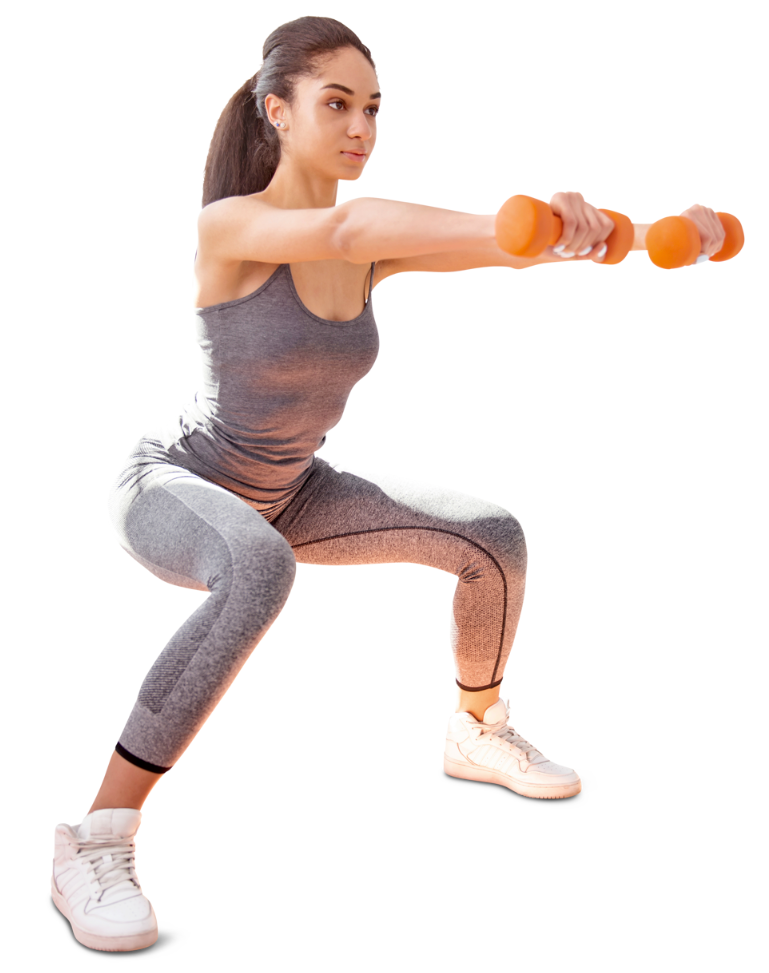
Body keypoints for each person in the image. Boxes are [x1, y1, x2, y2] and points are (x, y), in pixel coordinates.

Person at [50, 15, 728, 953]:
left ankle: (477, 727)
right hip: (176, 486)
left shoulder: (370, 246)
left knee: (492, 537)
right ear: (275, 110)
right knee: (256, 565)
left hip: (294, 490)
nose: (361, 125)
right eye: (337, 103)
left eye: (373, 107)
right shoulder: (232, 226)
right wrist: (508, 217)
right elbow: (347, 223)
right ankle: (95, 838)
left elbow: (511, 249)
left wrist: (647, 232)